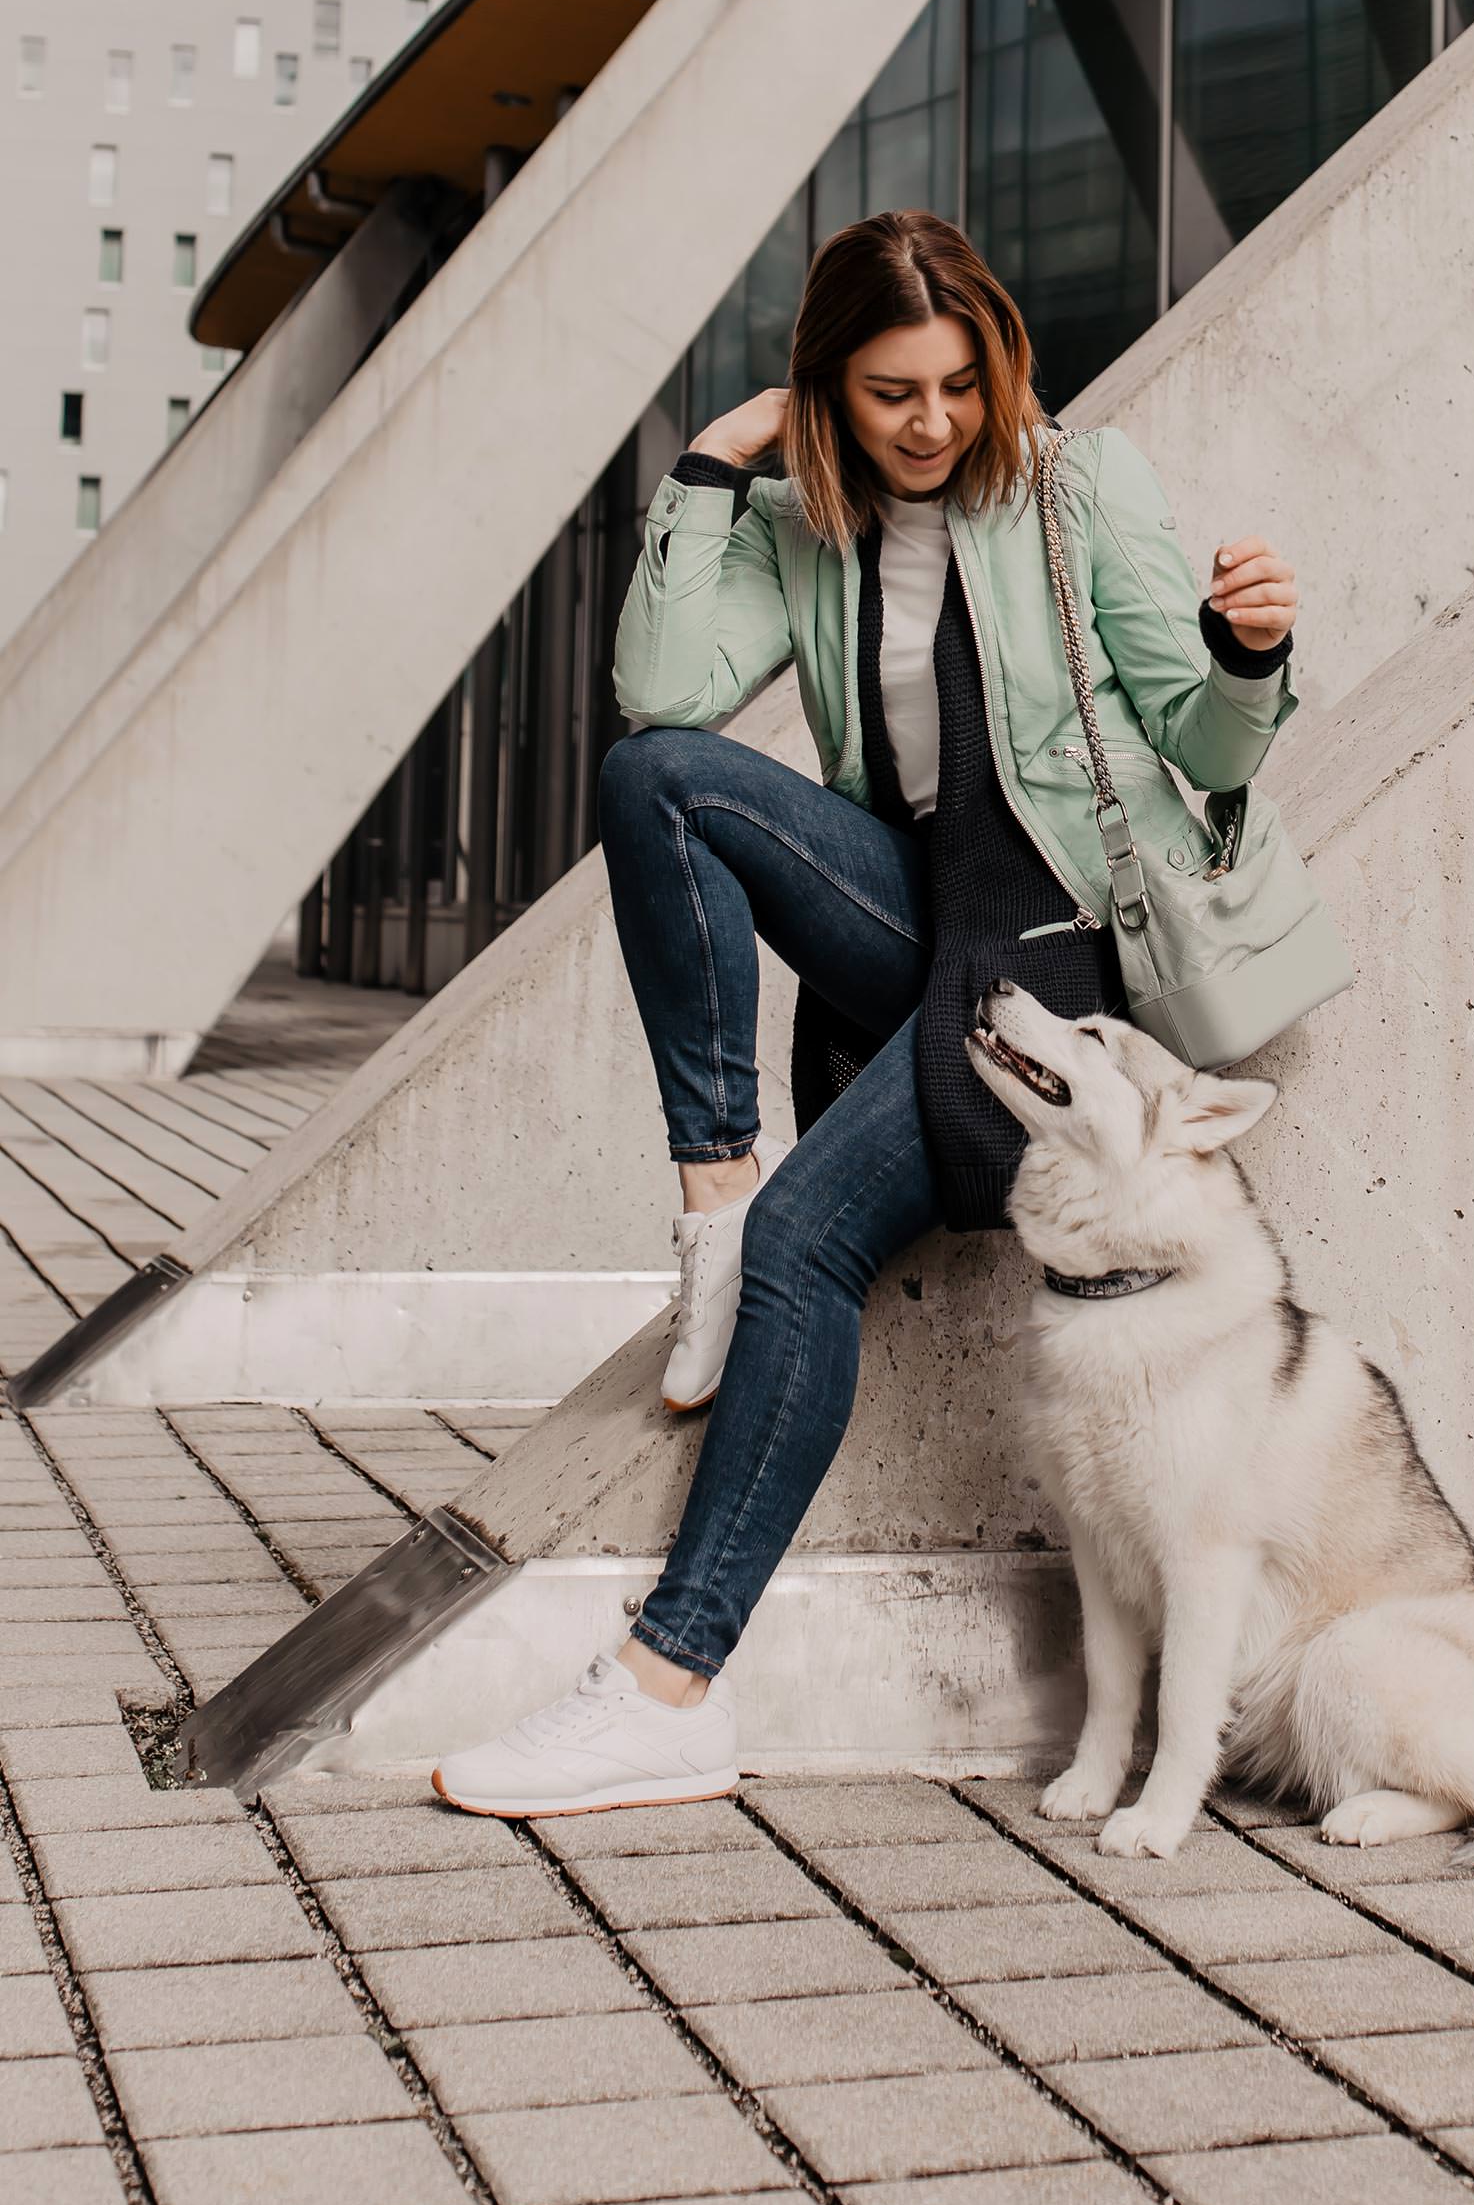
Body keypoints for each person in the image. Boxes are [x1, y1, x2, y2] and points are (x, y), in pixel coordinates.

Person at [432, 211, 1300, 1815]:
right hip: (909, 917)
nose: (933, 424)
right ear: (831, 388)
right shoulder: (804, 524)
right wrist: (707, 467)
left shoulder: (1080, 487)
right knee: (655, 782)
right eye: (891, 392)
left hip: (1040, 963)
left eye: (960, 386)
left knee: (813, 1243)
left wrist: (1248, 653)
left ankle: (669, 1683)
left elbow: (1205, 740)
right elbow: (666, 693)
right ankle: (711, 1196)